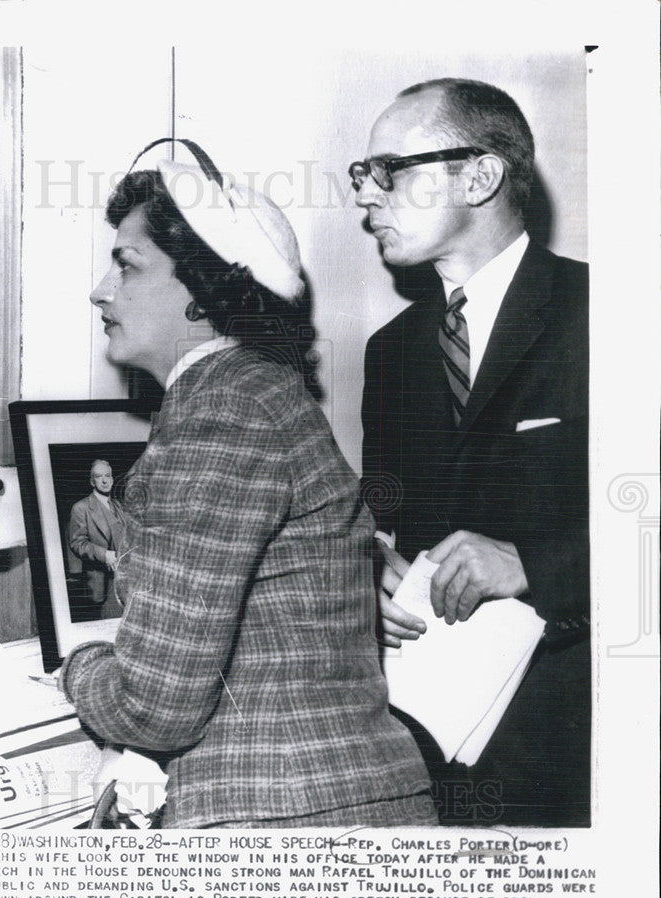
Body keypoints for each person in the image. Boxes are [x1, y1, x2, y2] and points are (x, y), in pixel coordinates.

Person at [58, 139, 435, 828]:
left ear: (202, 291)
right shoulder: (260, 393)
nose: (101, 290)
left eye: (126, 265)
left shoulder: (220, 410)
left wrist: (76, 663)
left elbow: (155, 706)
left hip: (284, 815)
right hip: (335, 800)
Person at [354, 79, 590, 826]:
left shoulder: (611, 316)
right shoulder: (389, 352)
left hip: (576, 743)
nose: (367, 197)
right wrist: (365, 570)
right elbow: (381, 517)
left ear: (480, 175)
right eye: (362, 176)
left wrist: (532, 564)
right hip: (423, 735)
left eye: (389, 170)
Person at [68, 459, 126, 616]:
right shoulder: (81, 508)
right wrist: (104, 555)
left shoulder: (119, 506)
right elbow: (77, 543)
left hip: (126, 583)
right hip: (101, 584)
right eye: (99, 476)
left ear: (113, 479)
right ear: (92, 482)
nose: (105, 480)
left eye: (108, 475)